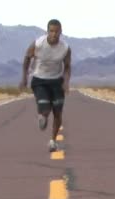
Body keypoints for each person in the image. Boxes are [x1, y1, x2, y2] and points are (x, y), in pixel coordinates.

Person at [19, 19, 72, 152]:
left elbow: (67, 66)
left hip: (56, 81)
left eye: (56, 31)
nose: (54, 34)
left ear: (61, 32)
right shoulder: (38, 44)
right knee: (46, 110)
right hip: (39, 80)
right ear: (47, 31)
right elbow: (26, 58)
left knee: (58, 113)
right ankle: (42, 115)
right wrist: (24, 77)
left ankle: (52, 141)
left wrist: (66, 82)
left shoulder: (65, 48)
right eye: (51, 31)